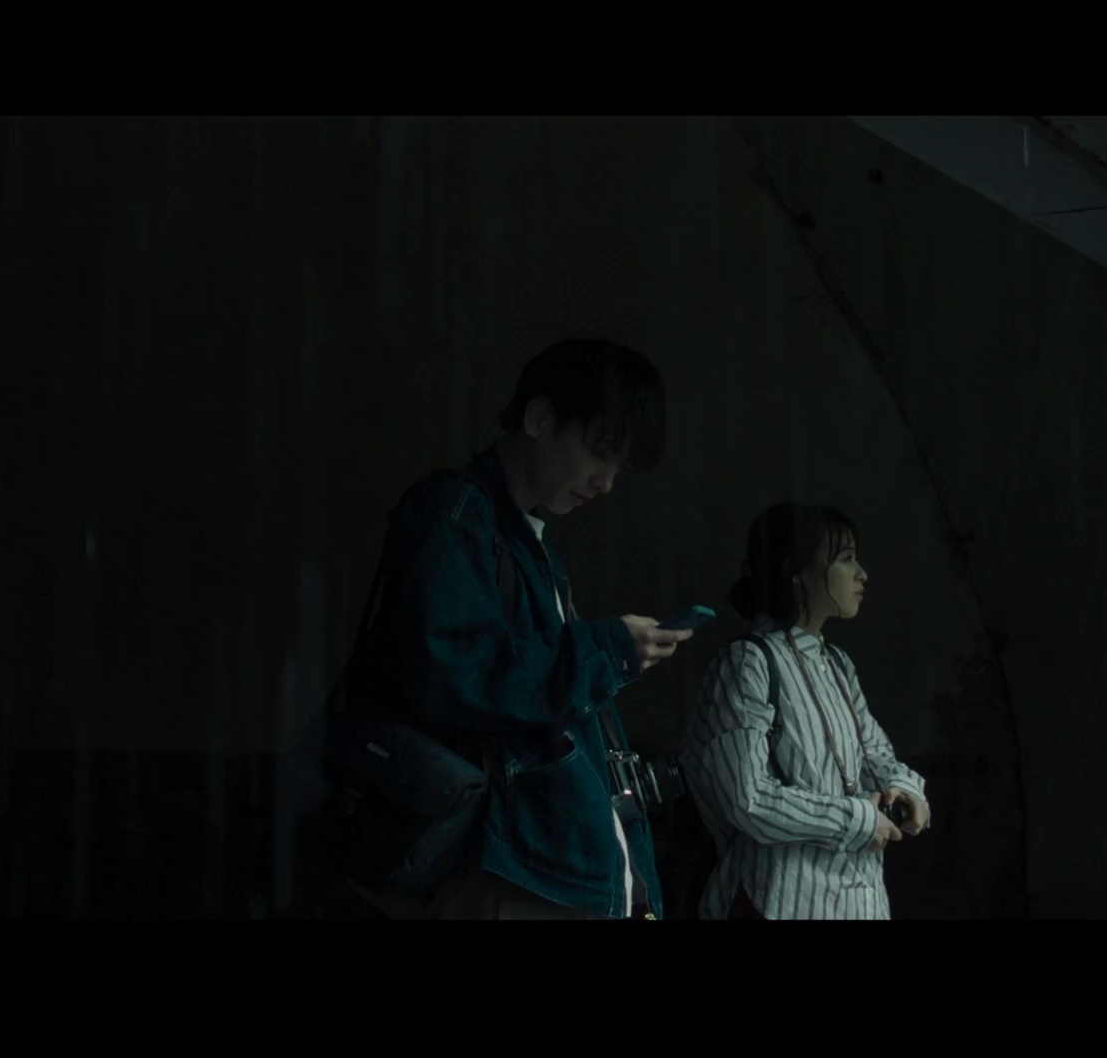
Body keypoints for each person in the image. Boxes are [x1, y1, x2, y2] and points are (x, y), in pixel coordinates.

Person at [322, 336, 692, 920]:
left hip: (542, 866)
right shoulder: (455, 514)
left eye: (618, 466)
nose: (605, 482)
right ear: (539, 418)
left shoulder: (527, 543)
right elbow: (457, 675)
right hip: (507, 865)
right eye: (599, 452)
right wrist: (606, 651)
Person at [680, 502, 931, 919]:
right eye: (846, 558)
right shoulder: (748, 662)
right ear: (796, 571)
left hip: (859, 903)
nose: (862, 573)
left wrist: (904, 788)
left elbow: (874, 754)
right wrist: (855, 818)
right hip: (779, 901)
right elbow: (747, 798)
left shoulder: (837, 664)